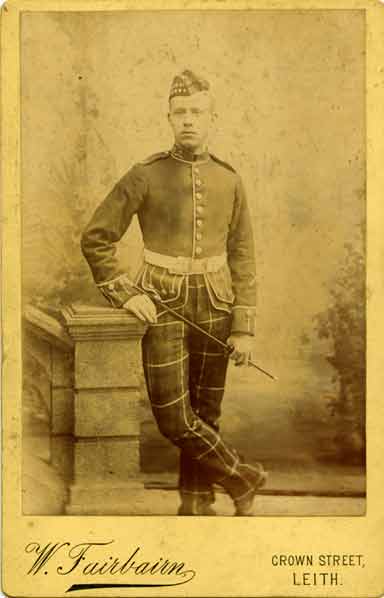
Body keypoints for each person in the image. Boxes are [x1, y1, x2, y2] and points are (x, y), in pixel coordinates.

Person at [81, 69, 267, 516]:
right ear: (168, 117)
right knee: (173, 417)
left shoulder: (230, 179)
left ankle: (196, 505)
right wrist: (126, 293)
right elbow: (96, 238)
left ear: (212, 118)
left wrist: (244, 328)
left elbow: (243, 256)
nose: (189, 120)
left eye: (197, 112)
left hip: (217, 301)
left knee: (207, 412)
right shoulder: (145, 174)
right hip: (160, 301)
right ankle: (244, 476)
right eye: (180, 112)